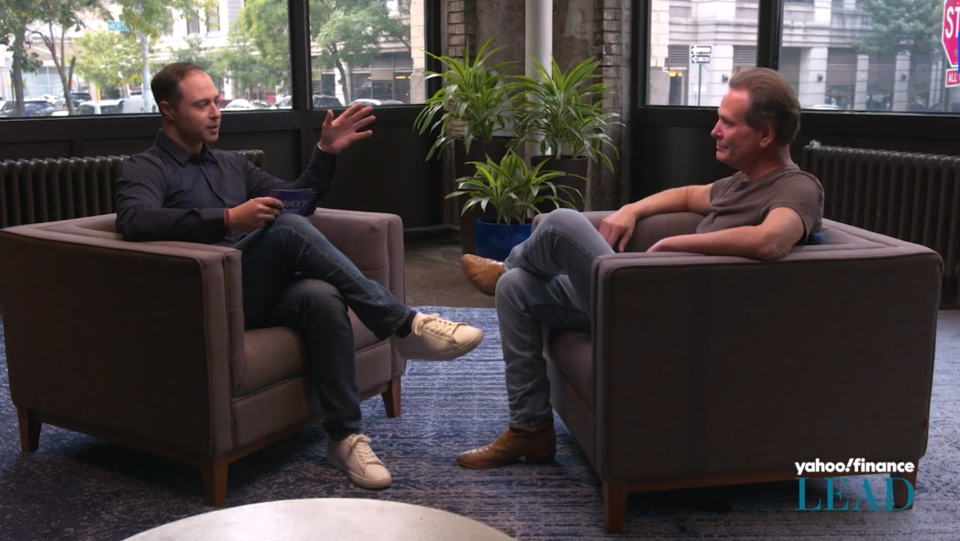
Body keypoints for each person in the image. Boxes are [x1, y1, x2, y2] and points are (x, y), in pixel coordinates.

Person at [115, 62, 484, 489]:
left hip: (256, 291)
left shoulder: (231, 165)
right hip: (204, 295)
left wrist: (326, 153)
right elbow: (136, 220)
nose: (216, 112)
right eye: (201, 105)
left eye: (216, 101)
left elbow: (297, 201)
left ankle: (344, 437)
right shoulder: (145, 167)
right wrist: (227, 218)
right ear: (168, 110)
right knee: (286, 231)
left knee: (321, 295)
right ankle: (402, 324)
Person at [456, 67, 824, 469]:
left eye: (727, 122)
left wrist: (678, 243)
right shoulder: (740, 183)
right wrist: (630, 210)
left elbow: (773, 240)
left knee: (563, 222)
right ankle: (530, 431)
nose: (714, 130)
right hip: (652, 303)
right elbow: (686, 195)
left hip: (677, 320)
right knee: (517, 287)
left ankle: (502, 266)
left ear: (766, 134)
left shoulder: (797, 187)